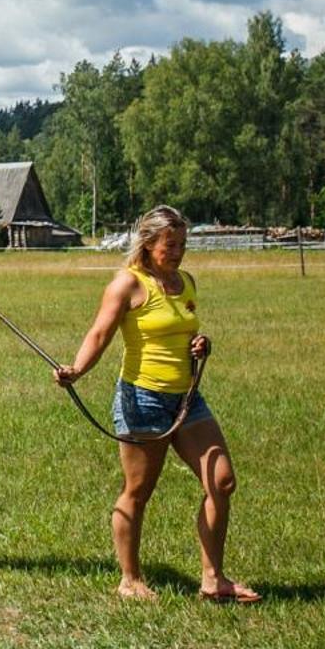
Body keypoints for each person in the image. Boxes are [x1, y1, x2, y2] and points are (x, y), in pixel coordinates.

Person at [52, 205, 259, 604]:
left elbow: (182, 332)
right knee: (138, 490)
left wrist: (199, 345)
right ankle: (130, 579)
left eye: (182, 243)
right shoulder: (128, 284)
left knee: (222, 481)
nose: (178, 251)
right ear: (148, 243)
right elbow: (99, 335)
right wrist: (75, 370)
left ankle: (213, 579)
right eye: (170, 244)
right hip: (142, 398)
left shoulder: (186, 282)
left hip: (186, 398)